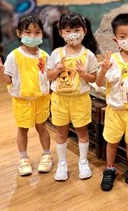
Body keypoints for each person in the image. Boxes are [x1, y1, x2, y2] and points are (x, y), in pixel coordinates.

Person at [0, 15, 52, 176]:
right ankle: (23, 158)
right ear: (19, 33)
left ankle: (47, 154)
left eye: (37, 32)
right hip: (22, 100)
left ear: (41, 34)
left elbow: (48, 76)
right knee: (23, 128)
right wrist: (0, 73)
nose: (33, 36)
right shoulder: (14, 56)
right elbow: (8, 80)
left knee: (42, 127)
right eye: (28, 32)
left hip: (41, 99)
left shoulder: (45, 56)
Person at [95, 13, 128, 194]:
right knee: (112, 142)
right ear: (115, 38)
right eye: (123, 37)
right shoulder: (112, 61)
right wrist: (103, 70)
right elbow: (99, 83)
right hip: (115, 111)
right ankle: (109, 169)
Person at [47, 12, 99, 181]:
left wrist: (84, 73)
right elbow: (48, 76)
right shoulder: (56, 53)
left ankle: (83, 161)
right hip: (60, 99)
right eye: (68, 31)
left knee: (82, 131)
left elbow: (95, 79)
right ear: (61, 32)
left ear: (84, 31)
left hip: (80, 99)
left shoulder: (88, 55)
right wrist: (57, 70)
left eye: (76, 29)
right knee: (61, 132)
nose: (72, 34)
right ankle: (62, 164)